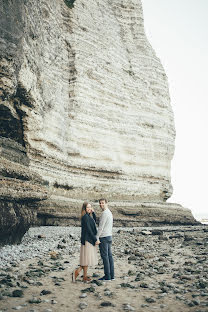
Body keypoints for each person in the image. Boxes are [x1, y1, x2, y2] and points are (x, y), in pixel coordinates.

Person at [72, 202, 99, 283]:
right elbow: (89, 229)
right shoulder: (85, 217)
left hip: (87, 239)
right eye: (88, 207)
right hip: (88, 240)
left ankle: (84, 276)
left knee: (86, 259)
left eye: (90, 207)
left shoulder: (88, 216)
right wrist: (95, 239)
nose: (89, 208)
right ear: (84, 208)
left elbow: (94, 221)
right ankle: (77, 272)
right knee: (86, 259)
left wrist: (93, 212)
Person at [97, 198, 114, 281]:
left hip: (104, 237)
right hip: (109, 236)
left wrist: (97, 238)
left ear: (106, 203)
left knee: (105, 257)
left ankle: (107, 276)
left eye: (103, 203)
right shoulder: (110, 213)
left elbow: (101, 227)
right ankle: (112, 276)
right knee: (109, 256)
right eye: (100, 203)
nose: (101, 205)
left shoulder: (104, 213)